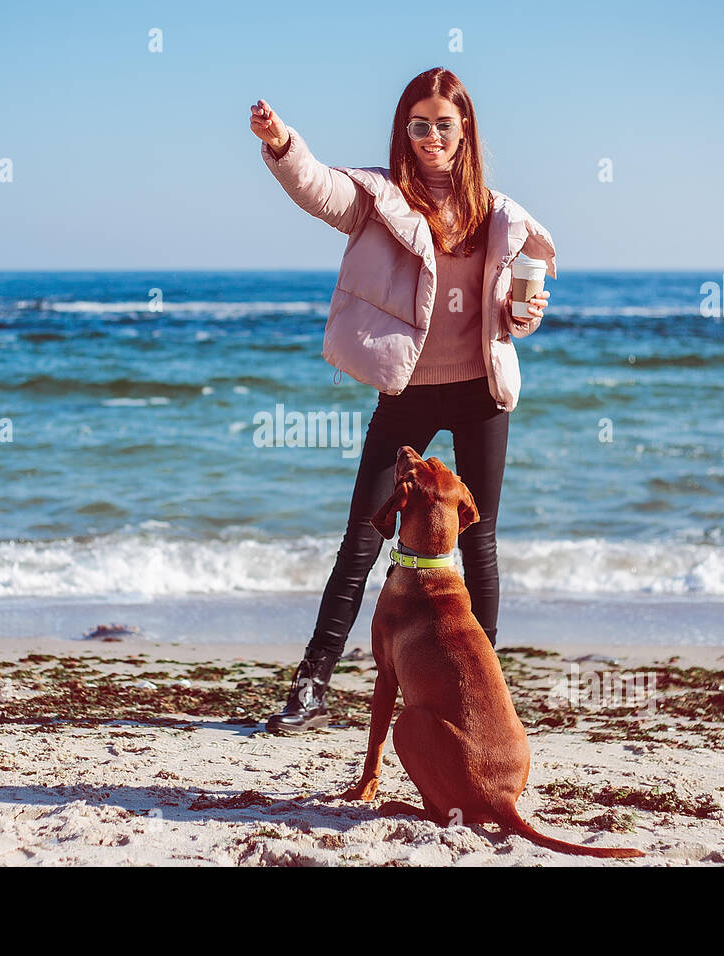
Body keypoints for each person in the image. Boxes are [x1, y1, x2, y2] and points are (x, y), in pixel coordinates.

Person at [249, 67, 556, 733]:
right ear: (404, 130)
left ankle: (483, 684)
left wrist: (526, 315)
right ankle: (311, 684)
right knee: (363, 536)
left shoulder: (499, 214)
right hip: (409, 393)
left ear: (464, 127)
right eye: (418, 125)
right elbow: (320, 188)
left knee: (479, 540)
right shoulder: (380, 199)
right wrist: (282, 143)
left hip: (480, 392)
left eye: (443, 124)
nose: (430, 137)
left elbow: (514, 312)